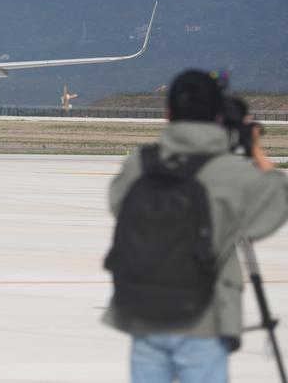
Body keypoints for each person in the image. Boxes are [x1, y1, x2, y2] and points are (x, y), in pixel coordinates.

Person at [103, 69, 288, 382]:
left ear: (167, 114)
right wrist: (253, 145)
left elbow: (117, 202)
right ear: (218, 116)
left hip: (145, 313)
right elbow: (278, 199)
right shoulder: (231, 172)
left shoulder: (141, 163)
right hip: (205, 319)